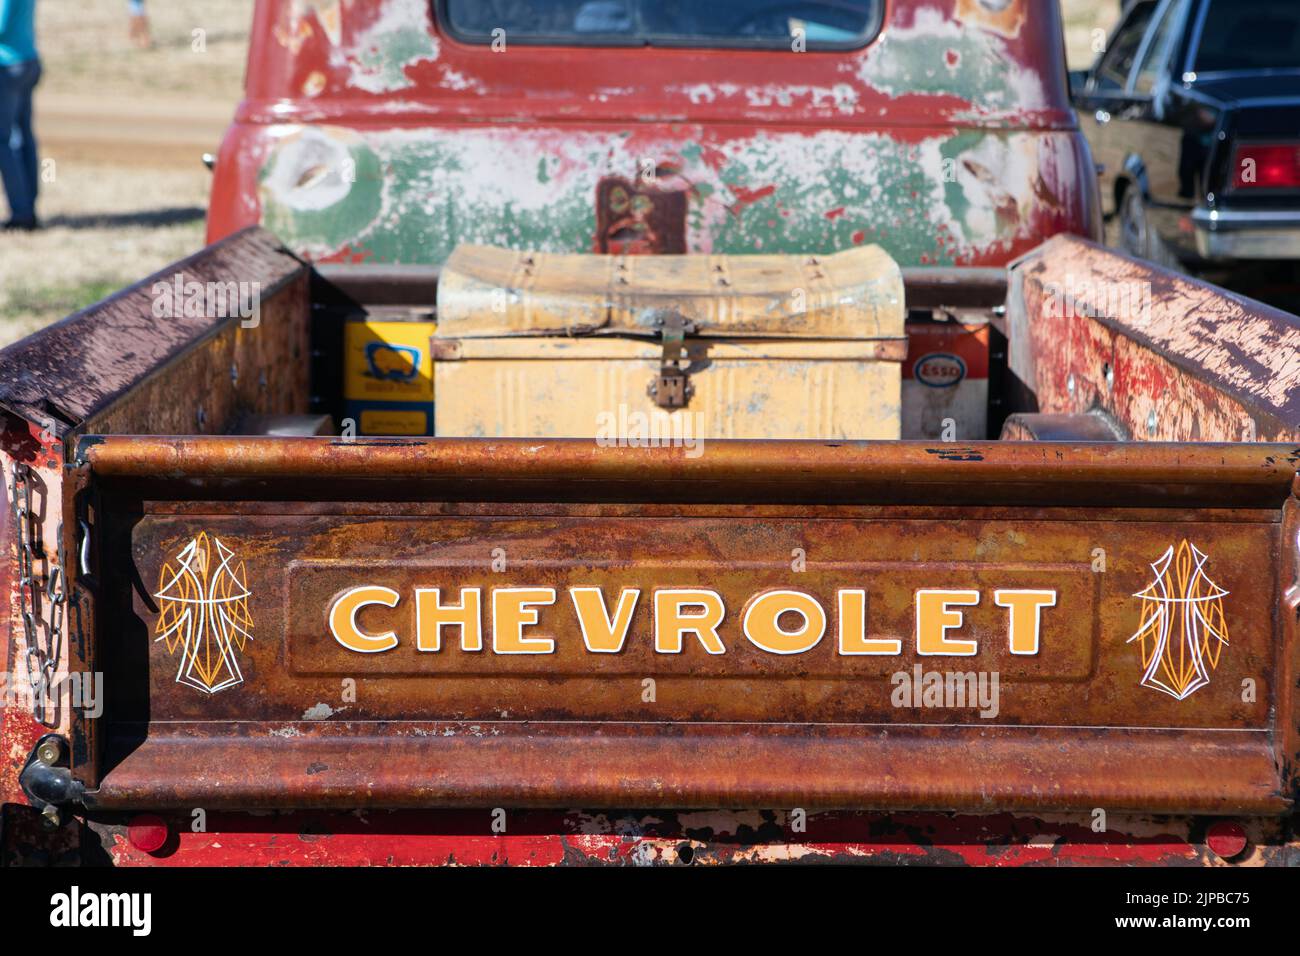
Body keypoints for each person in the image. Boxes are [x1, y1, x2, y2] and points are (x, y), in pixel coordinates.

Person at [0, 0, 40, 231]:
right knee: (24, 138)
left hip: (7, 66)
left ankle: (21, 212)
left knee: (5, 143)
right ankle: (28, 206)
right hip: (28, 59)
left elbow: (2, 26)